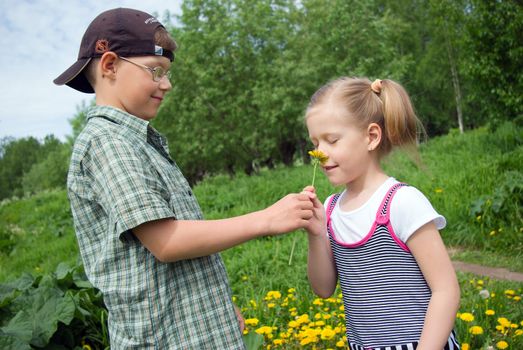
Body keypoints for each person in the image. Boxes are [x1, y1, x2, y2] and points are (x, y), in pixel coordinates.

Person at [54, 8, 314, 349]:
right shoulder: (107, 142)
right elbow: (167, 242)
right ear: (110, 65)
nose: (167, 83)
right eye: (155, 71)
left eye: (167, 73)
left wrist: (218, 306)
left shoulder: (137, 141)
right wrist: (266, 219)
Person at [303, 77, 461, 349]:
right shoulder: (329, 210)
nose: (320, 153)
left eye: (332, 140)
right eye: (315, 142)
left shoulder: (401, 202)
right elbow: (323, 288)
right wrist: (316, 234)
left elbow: (446, 290)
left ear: (371, 137)